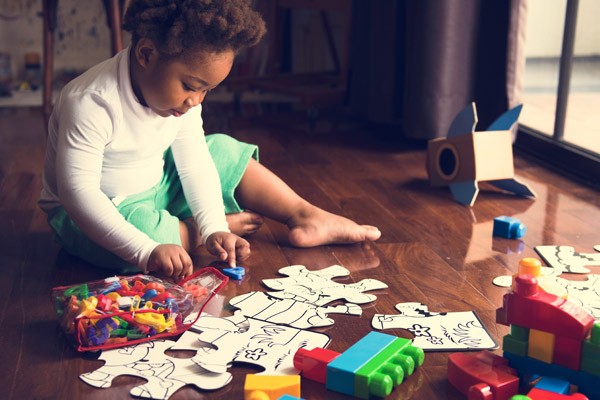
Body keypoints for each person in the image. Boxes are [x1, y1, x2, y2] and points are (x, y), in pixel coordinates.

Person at [39, 0, 381, 280]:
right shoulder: (91, 101)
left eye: (207, 90)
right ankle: (189, 232)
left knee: (221, 150)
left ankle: (303, 214)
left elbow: (194, 163)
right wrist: (146, 250)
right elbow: (78, 194)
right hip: (92, 211)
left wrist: (215, 225)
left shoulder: (183, 101)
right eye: (190, 86)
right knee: (147, 235)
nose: (196, 100)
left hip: (156, 185)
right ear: (146, 55)